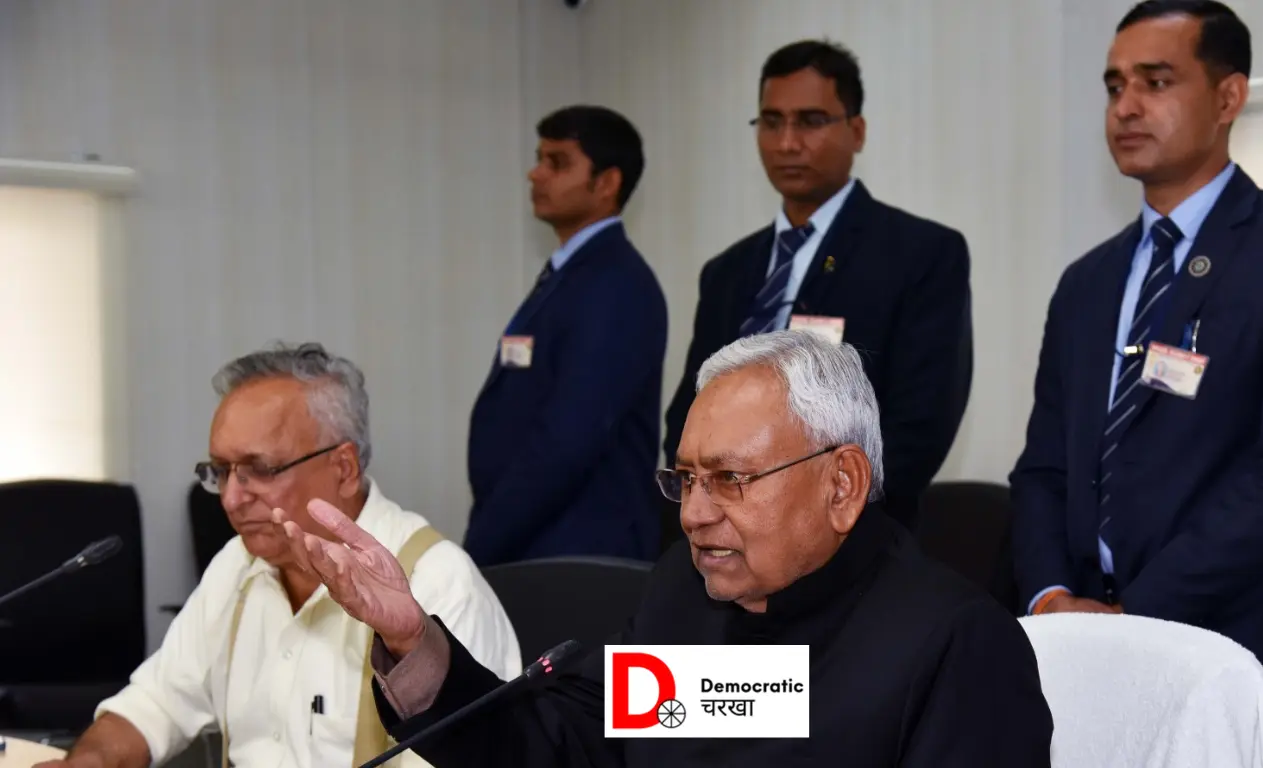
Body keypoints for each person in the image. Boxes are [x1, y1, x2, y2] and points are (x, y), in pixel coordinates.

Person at [281, 331, 1053, 767]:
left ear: (842, 483)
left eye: (729, 480)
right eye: (685, 479)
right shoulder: (692, 593)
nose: (695, 515)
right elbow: (564, 751)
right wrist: (413, 638)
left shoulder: (954, 646)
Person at [1011, 0, 1263, 740]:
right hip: (1082, 647)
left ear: (1228, 97)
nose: (1125, 107)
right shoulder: (1087, 282)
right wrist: (1050, 600)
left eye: (1156, 81)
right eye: (1114, 86)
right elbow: (1044, 470)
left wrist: (1133, 615)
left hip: (1237, 646)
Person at [37, 343, 521, 768]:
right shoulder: (237, 566)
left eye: (260, 469)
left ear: (344, 468)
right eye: (221, 471)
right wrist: (89, 761)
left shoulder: (437, 583)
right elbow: (157, 705)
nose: (231, 499)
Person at [659, 40, 972, 549]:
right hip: (718, 542)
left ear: (857, 130)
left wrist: (804, 523)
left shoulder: (920, 254)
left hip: (853, 547)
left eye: (810, 121)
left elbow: (919, 432)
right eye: (771, 122)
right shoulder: (727, 271)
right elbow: (686, 415)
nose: (787, 142)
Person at [464, 105, 668, 567]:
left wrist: (483, 542)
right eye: (539, 159)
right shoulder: (571, 274)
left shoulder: (616, 284)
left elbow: (569, 440)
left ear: (607, 182)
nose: (535, 174)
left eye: (557, 163)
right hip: (539, 540)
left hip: (579, 552)